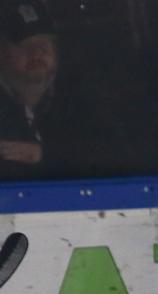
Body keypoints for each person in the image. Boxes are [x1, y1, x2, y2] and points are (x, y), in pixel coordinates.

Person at [0, 2, 110, 179]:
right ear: (2, 52)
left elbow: (114, 154)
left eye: (44, 45)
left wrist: (45, 154)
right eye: (25, 45)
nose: (37, 54)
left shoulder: (84, 99)